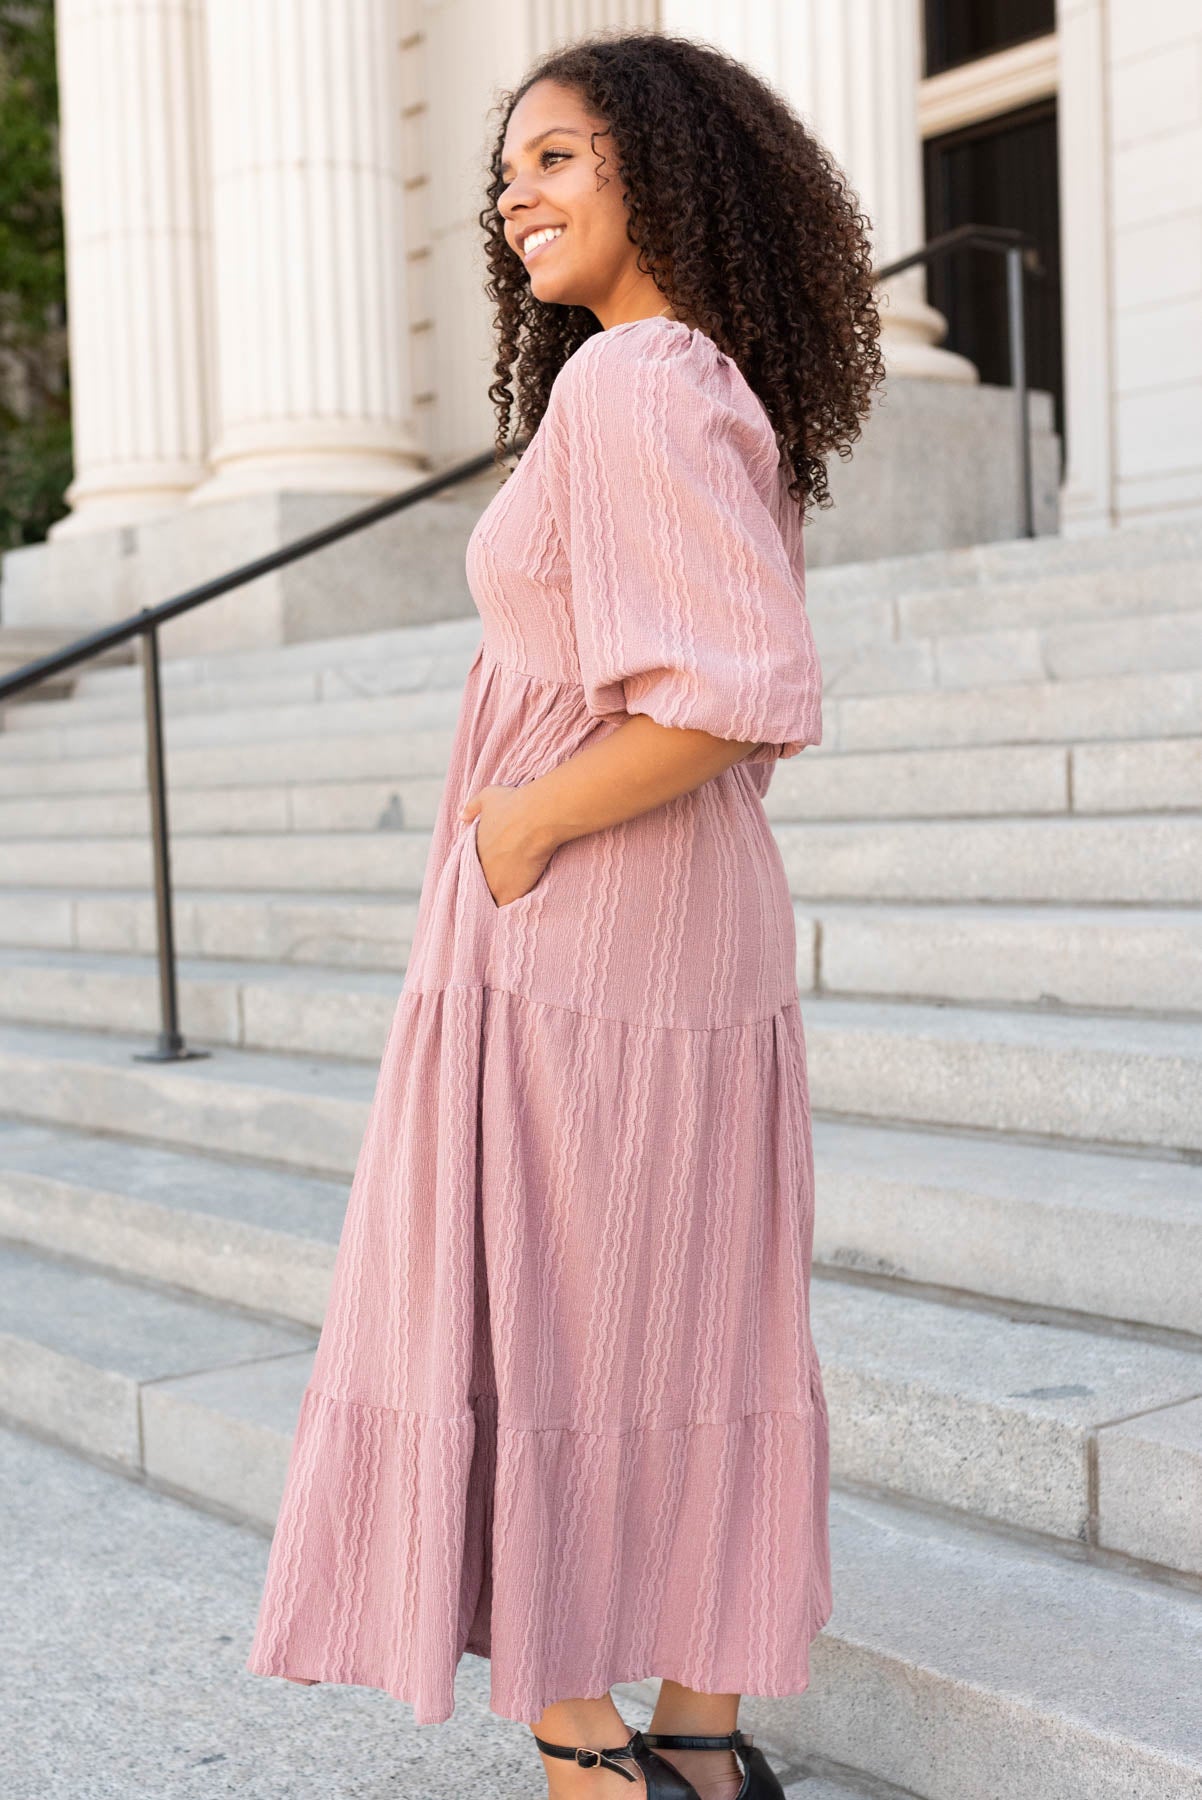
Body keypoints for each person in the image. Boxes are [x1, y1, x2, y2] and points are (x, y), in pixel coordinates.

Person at [245, 27, 882, 1800]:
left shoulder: (629, 384)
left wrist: (519, 826)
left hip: (591, 908)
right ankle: (697, 1731)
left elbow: (735, 690)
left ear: (662, 175)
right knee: (690, 1304)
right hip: (674, 908)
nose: (514, 194)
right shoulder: (694, 381)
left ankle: (582, 1747)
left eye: (557, 158)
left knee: (571, 1305)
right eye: (504, 169)